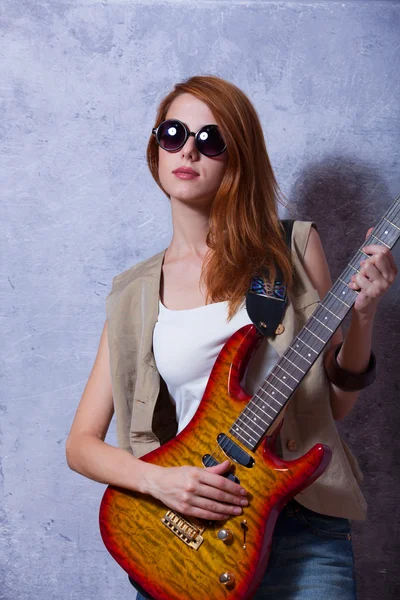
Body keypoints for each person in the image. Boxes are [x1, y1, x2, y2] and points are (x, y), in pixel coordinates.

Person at [66, 75, 398, 600]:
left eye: (211, 139)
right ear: (155, 152)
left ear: (236, 158)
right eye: (173, 133)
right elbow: (81, 445)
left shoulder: (293, 248)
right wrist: (161, 482)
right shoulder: (133, 293)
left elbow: (333, 408)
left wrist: (364, 315)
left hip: (303, 528)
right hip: (185, 538)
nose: (189, 149)